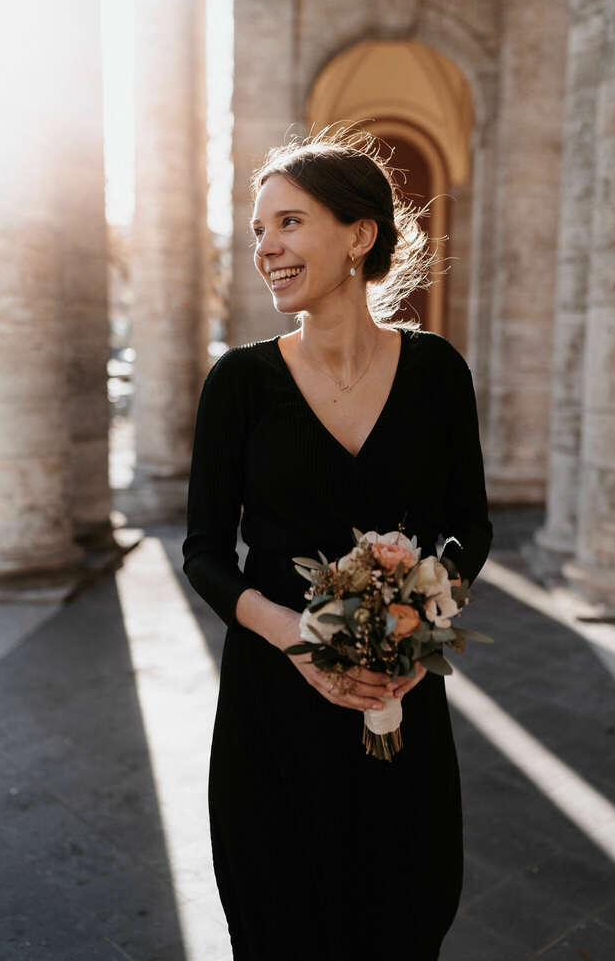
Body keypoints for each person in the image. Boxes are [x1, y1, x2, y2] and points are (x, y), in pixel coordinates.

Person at [182, 125, 493, 960]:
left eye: (287, 222)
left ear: (358, 235)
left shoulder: (435, 372)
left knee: (404, 911)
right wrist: (300, 641)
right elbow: (203, 550)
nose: (266, 247)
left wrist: (420, 615)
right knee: (279, 920)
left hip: (397, 693)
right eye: (257, 230)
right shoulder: (239, 382)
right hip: (271, 706)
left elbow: (471, 523)